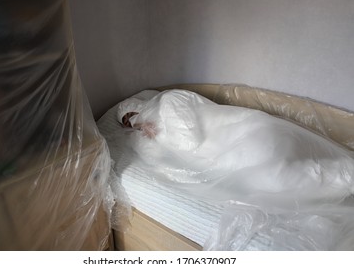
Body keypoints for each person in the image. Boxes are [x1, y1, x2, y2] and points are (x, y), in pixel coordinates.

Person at [115, 89, 354, 208]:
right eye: (127, 124)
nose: (133, 124)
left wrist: (154, 129)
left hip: (252, 134)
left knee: (272, 182)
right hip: (238, 152)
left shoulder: (170, 101)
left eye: (132, 116)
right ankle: (339, 175)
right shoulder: (150, 136)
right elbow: (156, 162)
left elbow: (189, 141)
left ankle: (345, 175)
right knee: (265, 192)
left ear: (142, 106)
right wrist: (143, 137)